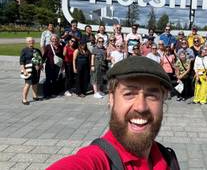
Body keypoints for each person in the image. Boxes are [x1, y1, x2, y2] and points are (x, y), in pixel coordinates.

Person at [47, 56, 180, 170]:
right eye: (129, 94)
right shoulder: (98, 160)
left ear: (162, 101)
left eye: (152, 95)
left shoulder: (167, 159)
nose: (141, 107)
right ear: (111, 98)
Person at [20, 37, 42, 105]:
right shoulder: (24, 50)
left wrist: (40, 65)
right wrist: (24, 70)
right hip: (28, 69)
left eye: (32, 41)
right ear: (26, 42)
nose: (31, 42)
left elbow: (40, 59)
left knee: (35, 83)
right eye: (29, 41)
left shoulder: (37, 50)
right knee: (28, 84)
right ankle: (24, 99)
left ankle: (35, 96)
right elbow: (21, 62)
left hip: (36, 70)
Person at [43, 34, 64, 99]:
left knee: (55, 79)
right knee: (48, 79)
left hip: (57, 66)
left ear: (58, 40)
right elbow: (44, 56)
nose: (54, 40)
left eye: (56, 39)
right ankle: (46, 94)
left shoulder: (61, 47)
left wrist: (63, 65)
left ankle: (54, 92)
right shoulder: (48, 47)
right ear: (51, 40)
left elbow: (62, 56)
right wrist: (40, 64)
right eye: (53, 39)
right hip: (49, 65)